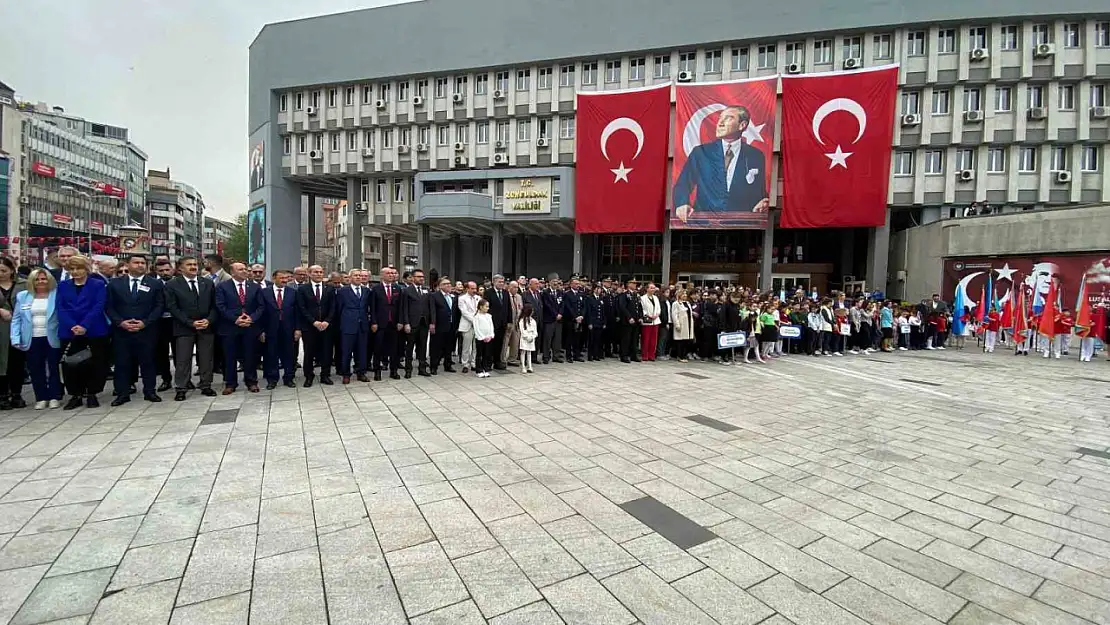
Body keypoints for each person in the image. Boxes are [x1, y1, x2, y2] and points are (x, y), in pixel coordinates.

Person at [672, 105, 769, 225]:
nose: (720, 123)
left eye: (728, 118)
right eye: (720, 118)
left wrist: (763, 201)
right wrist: (682, 203)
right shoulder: (701, 153)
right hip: (704, 226)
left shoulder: (756, 155)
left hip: (740, 227)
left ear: (742, 125)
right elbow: (682, 185)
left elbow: (758, 192)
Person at [105, 254, 165, 405]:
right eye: (136, 262)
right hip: (122, 331)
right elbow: (109, 307)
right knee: (122, 363)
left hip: (146, 330)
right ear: (128, 264)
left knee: (148, 362)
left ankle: (150, 391)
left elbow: (159, 306)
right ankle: (122, 393)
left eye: (143, 263)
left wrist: (145, 322)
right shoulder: (115, 284)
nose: (140, 265)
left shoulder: (155, 284)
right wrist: (120, 322)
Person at [164, 256, 219, 401]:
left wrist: (208, 320)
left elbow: (214, 305)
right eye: (189, 264)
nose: (193, 267)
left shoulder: (207, 283)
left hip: (206, 327)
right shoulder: (172, 284)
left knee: (206, 358)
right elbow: (172, 307)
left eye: (195, 264)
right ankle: (181, 387)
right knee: (183, 359)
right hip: (184, 328)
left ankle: (206, 385)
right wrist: (190, 323)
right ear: (180, 268)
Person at [11, 268, 62, 409]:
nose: (40, 282)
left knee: (53, 368)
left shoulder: (56, 294)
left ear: (49, 280)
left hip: (52, 336)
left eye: (43, 279)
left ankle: (54, 396)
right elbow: (16, 319)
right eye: (37, 279)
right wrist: (15, 337)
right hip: (31, 337)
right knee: (35, 368)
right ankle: (41, 397)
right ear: (32, 281)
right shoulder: (23, 296)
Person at [215, 262, 264, 394]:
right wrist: (235, 319)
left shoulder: (254, 287)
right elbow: (220, 306)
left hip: (249, 327)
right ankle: (230, 383)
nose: (245, 271)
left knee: (250, 355)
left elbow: (260, 306)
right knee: (229, 356)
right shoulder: (222, 287)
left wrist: (251, 318)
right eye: (240, 269)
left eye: (245, 269)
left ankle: (251, 381)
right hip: (230, 327)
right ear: (232, 272)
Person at [258, 269, 299, 389]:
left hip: (288, 328)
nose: (285, 280)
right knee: (271, 354)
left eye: (286, 278)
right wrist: (261, 330)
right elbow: (260, 312)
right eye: (282, 278)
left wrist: (298, 329)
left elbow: (297, 312)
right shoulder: (264, 292)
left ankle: (289, 378)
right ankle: (272, 379)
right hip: (270, 328)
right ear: (274, 278)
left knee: (289, 354)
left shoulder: (293, 292)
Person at [297, 265, 336, 386]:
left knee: (327, 351)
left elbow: (333, 307)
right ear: (309, 274)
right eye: (316, 272)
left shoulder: (329, 288)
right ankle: (309, 376)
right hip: (310, 326)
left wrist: (327, 321)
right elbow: (301, 308)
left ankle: (325, 375)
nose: (319, 274)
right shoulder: (303, 289)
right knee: (309, 352)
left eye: (321, 272)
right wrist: (314, 322)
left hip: (326, 326)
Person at [0, 257, 27, 410]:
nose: (1, 274)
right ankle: (3, 395)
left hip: (19, 327)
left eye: (4, 270)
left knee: (17, 362)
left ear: (11, 270)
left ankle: (16, 394)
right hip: (1, 328)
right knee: (1, 363)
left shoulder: (23, 284)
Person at [336, 268, 371, 384]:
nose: (358, 277)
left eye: (360, 276)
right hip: (348, 325)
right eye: (355, 275)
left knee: (362, 351)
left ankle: (361, 372)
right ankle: (346, 374)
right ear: (350, 278)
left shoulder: (366, 291)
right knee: (346, 351)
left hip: (363, 325)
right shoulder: (342, 291)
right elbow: (339, 309)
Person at [400, 268, 431, 378]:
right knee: (410, 347)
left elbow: (429, 306)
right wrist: (406, 323)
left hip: (424, 323)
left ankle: (422, 368)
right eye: (419, 277)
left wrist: (431, 322)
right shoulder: (407, 291)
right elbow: (404, 308)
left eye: (422, 277)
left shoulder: (426, 290)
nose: (421, 279)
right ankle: (408, 369)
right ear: (413, 278)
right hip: (412, 323)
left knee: (422, 347)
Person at [152, 258, 176, 392]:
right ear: (156, 271)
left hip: (176, 321)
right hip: (159, 322)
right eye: (161, 271)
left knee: (180, 352)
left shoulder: (178, 283)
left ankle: (183, 378)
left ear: (172, 269)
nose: (165, 273)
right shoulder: (153, 284)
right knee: (161, 352)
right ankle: (166, 379)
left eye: (167, 270)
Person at [427, 277, 459, 374]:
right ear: (440, 286)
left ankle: (448, 365)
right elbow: (432, 310)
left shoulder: (453, 296)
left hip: (451, 325)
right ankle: (434, 366)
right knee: (436, 347)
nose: (448, 285)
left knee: (449, 346)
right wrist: (432, 323)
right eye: (445, 284)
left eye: (449, 283)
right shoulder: (434, 296)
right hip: (439, 325)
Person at [484, 274, 511, 370]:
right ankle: (488, 363)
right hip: (492, 322)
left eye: (502, 282)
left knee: (500, 343)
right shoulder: (488, 292)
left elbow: (509, 308)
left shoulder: (505, 293)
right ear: (494, 282)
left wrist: (509, 321)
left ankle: (497, 362)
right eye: (499, 282)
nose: (501, 284)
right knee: (490, 344)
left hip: (502, 323)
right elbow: (486, 308)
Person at [456, 281, 480, 373]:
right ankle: (465, 364)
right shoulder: (462, 298)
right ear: (467, 289)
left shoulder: (478, 298)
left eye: (475, 288)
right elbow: (464, 312)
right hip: (467, 324)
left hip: (477, 325)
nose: (475, 290)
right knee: (466, 346)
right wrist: (474, 320)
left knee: (476, 346)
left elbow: (480, 310)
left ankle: (473, 363)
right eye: (472, 288)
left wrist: (478, 320)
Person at [617, 279, 642, 363]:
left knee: (634, 339)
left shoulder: (636, 294)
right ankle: (624, 355)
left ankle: (633, 355)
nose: (635, 284)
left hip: (636, 320)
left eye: (635, 283)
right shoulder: (624, 295)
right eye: (633, 283)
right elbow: (623, 307)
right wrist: (629, 317)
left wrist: (640, 317)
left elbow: (639, 307)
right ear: (628, 284)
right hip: (627, 321)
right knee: (626, 339)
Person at [561, 277, 585, 362]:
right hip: (570, 319)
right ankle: (569, 356)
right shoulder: (567, 294)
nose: (577, 285)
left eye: (578, 284)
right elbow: (568, 307)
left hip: (579, 319)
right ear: (571, 284)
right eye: (575, 284)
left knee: (577, 338)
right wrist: (575, 317)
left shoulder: (581, 294)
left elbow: (583, 306)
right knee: (569, 338)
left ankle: (576, 355)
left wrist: (582, 315)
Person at [541, 279, 564, 364]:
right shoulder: (545, 293)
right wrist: (555, 314)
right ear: (550, 282)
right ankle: (546, 356)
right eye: (553, 282)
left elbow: (562, 304)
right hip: (549, 319)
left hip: (559, 320)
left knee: (557, 339)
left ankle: (556, 356)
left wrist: (560, 313)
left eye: (557, 282)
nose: (555, 283)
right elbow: (547, 305)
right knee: (547, 338)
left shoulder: (560, 292)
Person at [501, 280, 523, 367]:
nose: (516, 289)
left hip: (517, 322)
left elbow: (521, 308)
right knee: (505, 342)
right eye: (514, 287)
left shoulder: (519, 297)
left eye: (517, 287)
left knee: (515, 341)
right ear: (509, 287)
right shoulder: (506, 296)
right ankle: (502, 358)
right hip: (508, 322)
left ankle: (512, 359)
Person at [472, 299, 496, 378]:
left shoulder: (489, 316)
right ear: (481, 307)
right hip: (480, 339)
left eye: (488, 306)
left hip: (488, 338)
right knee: (479, 354)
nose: (487, 308)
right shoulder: (476, 317)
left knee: (487, 354)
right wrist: (482, 337)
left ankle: (486, 369)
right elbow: (476, 328)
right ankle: (479, 370)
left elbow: (491, 326)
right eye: (486, 306)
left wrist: (490, 335)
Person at [639, 283, 662, 362]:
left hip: (655, 321)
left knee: (653, 339)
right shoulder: (643, 298)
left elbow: (658, 308)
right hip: (647, 321)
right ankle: (645, 355)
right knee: (646, 339)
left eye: (654, 288)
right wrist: (648, 315)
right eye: (651, 288)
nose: (653, 289)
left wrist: (656, 315)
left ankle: (652, 355)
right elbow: (642, 309)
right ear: (647, 289)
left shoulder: (656, 298)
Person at [671, 290, 695, 363]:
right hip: (681, 324)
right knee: (680, 341)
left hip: (688, 324)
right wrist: (677, 324)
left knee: (686, 341)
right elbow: (674, 315)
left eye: (685, 294)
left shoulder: (687, 303)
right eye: (683, 294)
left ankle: (684, 355)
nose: (685, 295)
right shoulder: (676, 303)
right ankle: (680, 355)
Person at [584, 284, 605, 362]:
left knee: (598, 340)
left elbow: (603, 312)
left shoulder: (601, 298)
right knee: (591, 340)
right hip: (593, 322)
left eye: (600, 289)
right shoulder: (590, 298)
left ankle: (596, 354)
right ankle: (590, 355)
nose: (599, 290)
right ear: (594, 289)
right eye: (598, 288)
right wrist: (589, 323)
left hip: (599, 322)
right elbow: (589, 312)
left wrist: (604, 322)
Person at [517, 302, 538, 373]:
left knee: (529, 352)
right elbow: (522, 331)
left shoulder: (533, 321)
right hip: (525, 339)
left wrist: (532, 337)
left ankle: (530, 366)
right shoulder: (522, 321)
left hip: (531, 339)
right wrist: (527, 337)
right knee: (523, 352)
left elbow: (535, 331)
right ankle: (523, 366)